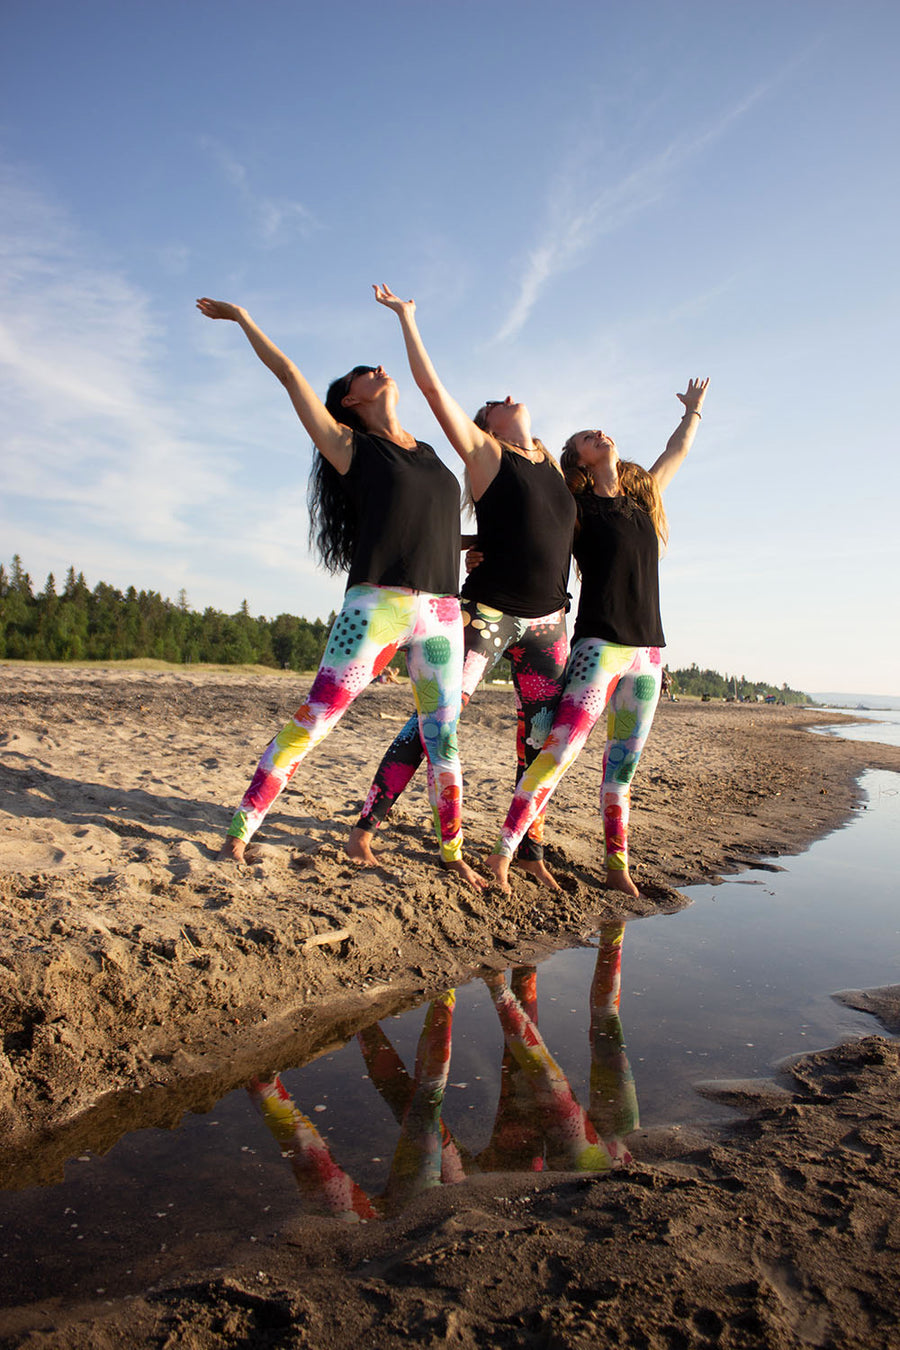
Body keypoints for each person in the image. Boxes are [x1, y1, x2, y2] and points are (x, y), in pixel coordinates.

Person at [195, 296, 484, 890]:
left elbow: (421, 524)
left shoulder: (427, 453)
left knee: (443, 733)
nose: (376, 368)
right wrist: (246, 319)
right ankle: (241, 830)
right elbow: (289, 375)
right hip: (375, 608)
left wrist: (468, 547)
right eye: (361, 372)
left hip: (442, 612)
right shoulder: (349, 445)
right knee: (316, 718)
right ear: (350, 399)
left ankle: (453, 854)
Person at [348, 285, 576, 887]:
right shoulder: (485, 456)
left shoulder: (553, 468)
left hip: (551, 625)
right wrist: (407, 318)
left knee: (543, 740)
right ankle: (366, 827)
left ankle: (529, 851)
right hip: (488, 615)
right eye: (494, 403)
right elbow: (428, 388)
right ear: (486, 428)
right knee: (436, 720)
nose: (507, 398)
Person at [487, 378, 709, 895]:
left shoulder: (642, 501)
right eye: (589, 436)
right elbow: (530, 536)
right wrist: (481, 551)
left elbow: (675, 453)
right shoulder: (577, 511)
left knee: (621, 770)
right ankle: (503, 853)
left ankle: (617, 867)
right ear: (578, 459)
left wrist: (693, 413)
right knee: (559, 753)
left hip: (648, 654)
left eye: (602, 432)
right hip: (598, 649)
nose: (601, 434)